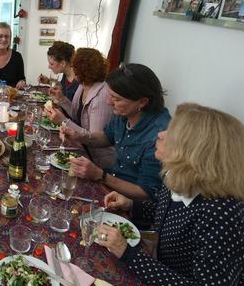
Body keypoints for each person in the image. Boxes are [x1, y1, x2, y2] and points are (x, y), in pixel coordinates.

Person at [98, 103, 244, 286]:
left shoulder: (223, 213)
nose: (161, 133)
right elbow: (171, 215)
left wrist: (129, 254)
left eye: (173, 132)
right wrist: (132, 204)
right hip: (171, 274)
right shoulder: (180, 178)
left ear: (194, 151)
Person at [62, 63, 170, 200]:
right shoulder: (124, 112)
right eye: (110, 95)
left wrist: (100, 175)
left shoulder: (159, 135)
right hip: (111, 182)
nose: (108, 102)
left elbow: (147, 193)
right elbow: (107, 137)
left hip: (128, 203)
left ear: (142, 102)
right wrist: (79, 136)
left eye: (116, 99)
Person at [44, 48, 114, 168]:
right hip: (79, 145)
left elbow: (94, 139)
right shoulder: (83, 86)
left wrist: (63, 121)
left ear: (83, 70)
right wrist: (61, 99)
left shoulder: (102, 96)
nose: (72, 70)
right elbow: (76, 115)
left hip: (95, 159)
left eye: (74, 67)